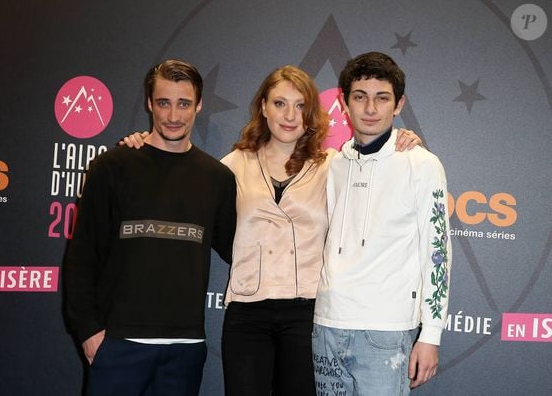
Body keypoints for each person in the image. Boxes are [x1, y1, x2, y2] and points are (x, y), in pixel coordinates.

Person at [122, 64, 421, 396]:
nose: (289, 115)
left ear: (311, 113)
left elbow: (377, 164)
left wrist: (400, 141)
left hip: (307, 313)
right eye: (279, 103)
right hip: (247, 315)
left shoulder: (333, 165)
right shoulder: (231, 165)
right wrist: (143, 145)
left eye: (300, 105)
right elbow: (186, 187)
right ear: (263, 107)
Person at [63, 59, 237, 396]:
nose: (173, 115)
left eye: (184, 103)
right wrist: (89, 332)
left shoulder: (218, 178)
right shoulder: (112, 166)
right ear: (149, 103)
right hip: (118, 344)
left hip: (186, 349)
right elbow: (81, 257)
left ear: (199, 105)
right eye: (164, 103)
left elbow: (235, 248)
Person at [312, 52, 452, 395]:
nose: (370, 108)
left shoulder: (421, 165)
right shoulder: (331, 165)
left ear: (399, 104)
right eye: (360, 97)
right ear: (344, 103)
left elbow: (437, 254)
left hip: (386, 331)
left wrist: (431, 336)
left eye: (382, 98)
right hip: (326, 325)